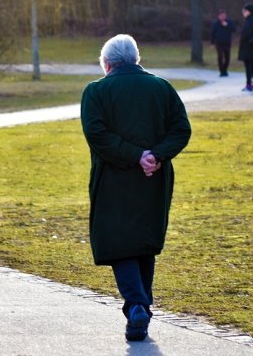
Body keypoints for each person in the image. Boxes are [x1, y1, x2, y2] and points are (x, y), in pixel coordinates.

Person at [80, 34, 192, 342]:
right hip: (153, 177)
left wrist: (134, 155)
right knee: (144, 241)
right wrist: (154, 155)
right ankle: (140, 306)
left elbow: (97, 134)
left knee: (120, 242)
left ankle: (137, 305)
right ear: (136, 59)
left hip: (114, 179)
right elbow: (181, 129)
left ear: (107, 63)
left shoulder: (96, 91)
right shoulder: (161, 88)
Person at [238, 2, 253, 92]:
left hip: (248, 47)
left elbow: (246, 34)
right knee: (251, 66)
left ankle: (250, 84)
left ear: (249, 11)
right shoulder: (250, 20)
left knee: (249, 67)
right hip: (249, 47)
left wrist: (243, 38)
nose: (243, 12)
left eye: (245, 10)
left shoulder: (251, 21)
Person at [210, 9, 236, 77]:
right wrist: (212, 43)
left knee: (227, 57)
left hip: (227, 42)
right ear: (219, 16)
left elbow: (234, 29)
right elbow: (213, 33)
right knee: (220, 56)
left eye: (224, 15)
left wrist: (227, 25)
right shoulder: (215, 24)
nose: (223, 17)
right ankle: (221, 71)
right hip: (219, 43)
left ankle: (225, 70)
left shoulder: (229, 22)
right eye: (221, 16)